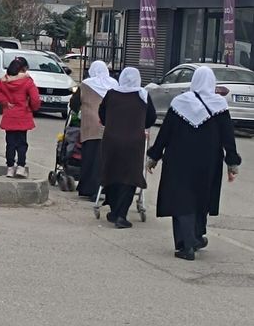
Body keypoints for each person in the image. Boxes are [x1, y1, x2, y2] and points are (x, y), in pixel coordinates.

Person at [146, 67, 241, 261]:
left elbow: (166, 132)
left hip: (179, 160)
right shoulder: (219, 105)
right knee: (201, 197)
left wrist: (154, 156)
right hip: (208, 161)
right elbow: (227, 137)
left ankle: (186, 244)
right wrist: (232, 163)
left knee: (181, 199)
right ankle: (196, 236)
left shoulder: (180, 103)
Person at [99, 67, 156, 229]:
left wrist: (110, 123)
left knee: (111, 172)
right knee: (129, 176)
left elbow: (102, 114)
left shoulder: (111, 94)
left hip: (111, 140)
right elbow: (151, 118)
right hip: (133, 142)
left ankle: (113, 210)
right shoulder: (142, 95)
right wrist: (139, 124)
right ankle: (121, 215)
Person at [70, 61, 118, 200]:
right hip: (109, 125)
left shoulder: (86, 84)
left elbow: (74, 103)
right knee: (104, 158)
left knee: (91, 157)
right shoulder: (114, 84)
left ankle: (89, 188)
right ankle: (105, 188)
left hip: (91, 125)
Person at [0, 57, 41, 178]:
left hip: (9, 115)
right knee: (22, 143)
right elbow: (35, 99)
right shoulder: (27, 81)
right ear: (23, 69)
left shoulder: (4, 81)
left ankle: (10, 168)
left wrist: (5, 102)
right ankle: (21, 167)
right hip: (23, 115)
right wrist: (33, 108)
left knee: (10, 143)